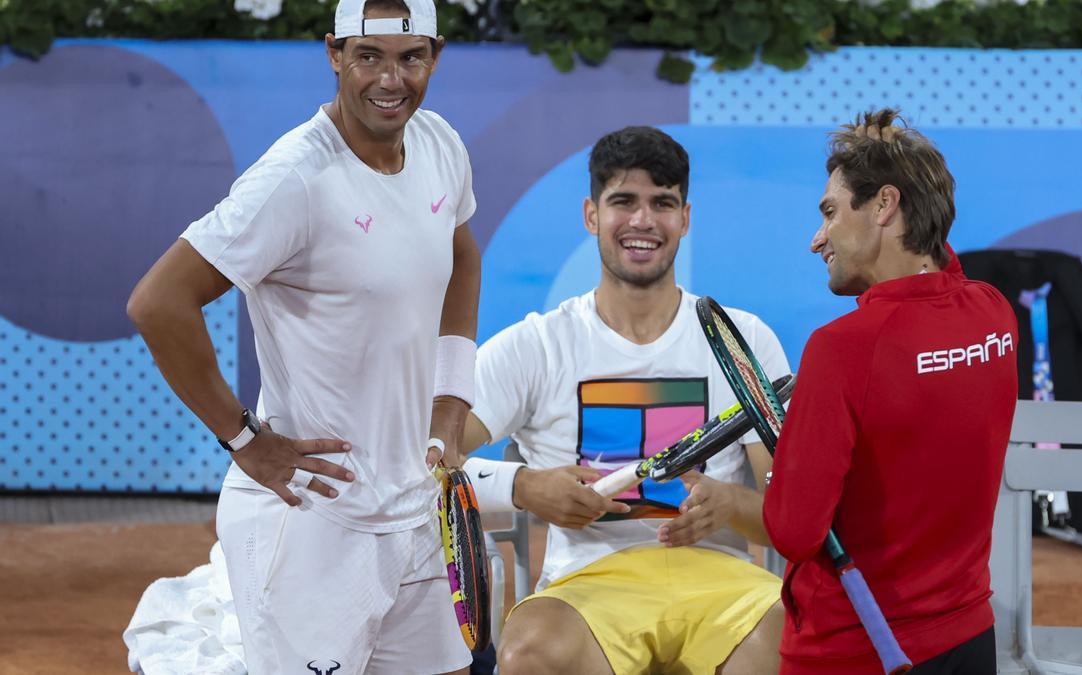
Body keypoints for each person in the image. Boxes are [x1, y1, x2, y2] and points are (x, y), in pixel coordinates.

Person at [125, 1, 479, 673]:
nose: (390, 79)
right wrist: (244, 439)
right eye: (368, 56)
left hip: (412, 505)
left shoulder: (439, 145)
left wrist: (451, 399)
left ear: (435, 54)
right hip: (313, 524)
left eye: (410, 58)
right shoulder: (292, 179)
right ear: (334, 53)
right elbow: (158, 302)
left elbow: (462, 254)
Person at [458, 126, 790, 674]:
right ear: (591, 215)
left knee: (802, 646)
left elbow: (792, 515)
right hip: (584, 588)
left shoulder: (745, 339)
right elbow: (426, 459)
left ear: (685, 217)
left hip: (724, 584)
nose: (643, 221)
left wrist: (731, 506)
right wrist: (524, 486)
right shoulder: (535, 345)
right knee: (531, 658)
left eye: (662, 203)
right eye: (623, 202)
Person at [762, 109, 1018, 674]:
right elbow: (941, 273)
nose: (817, 239)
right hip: (971, 639)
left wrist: (776, 478)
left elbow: (795, 532)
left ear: (884, 205)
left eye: (830, 212)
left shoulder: (842, 349)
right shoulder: (993, 316)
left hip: (854, 652)